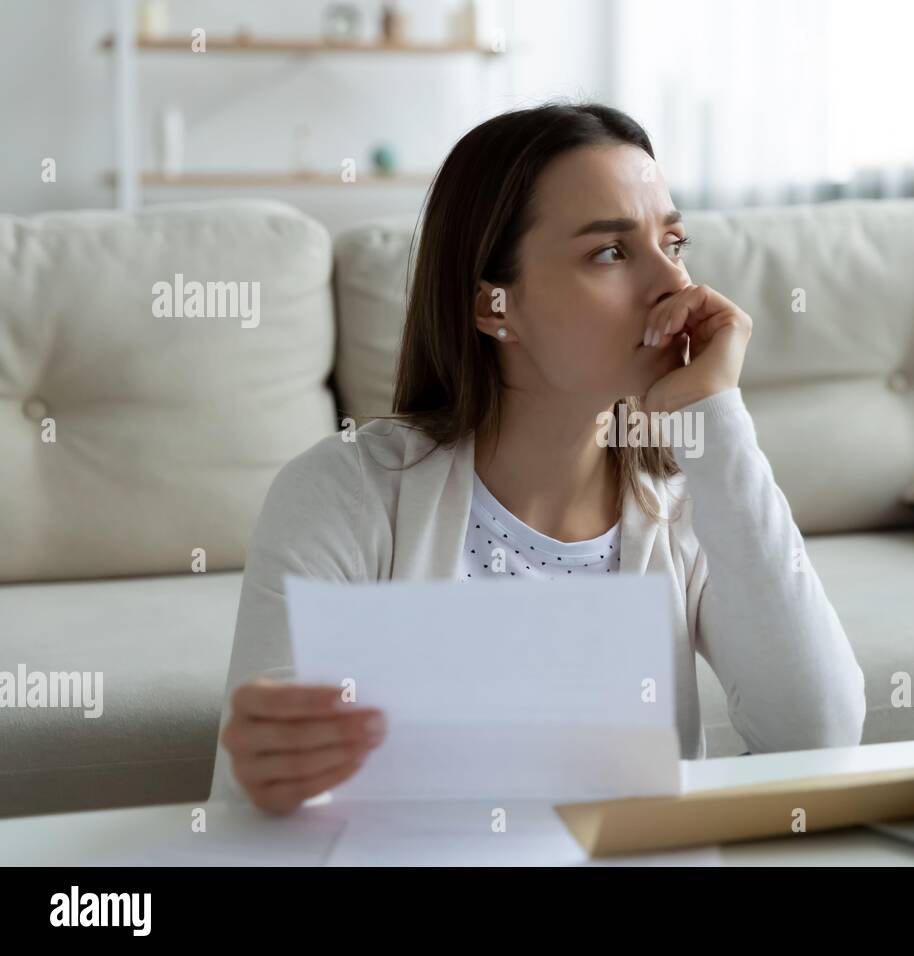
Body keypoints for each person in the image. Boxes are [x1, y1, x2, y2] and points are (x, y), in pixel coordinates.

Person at [214, 102, 865, 814]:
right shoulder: (342, 492)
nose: (675, 286)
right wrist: (274, 766)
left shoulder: (686, 496)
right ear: (495, 306)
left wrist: (715, 420)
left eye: (673, 243)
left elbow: (820, 735)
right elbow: (262, 811)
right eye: (611, 253)